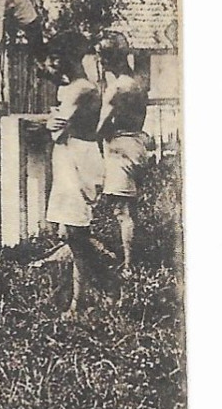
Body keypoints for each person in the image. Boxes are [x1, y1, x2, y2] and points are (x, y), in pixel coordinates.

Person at [43, 30, 109, 317]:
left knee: (75, 232)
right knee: (71, 233)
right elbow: (56, 125)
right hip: (70, 155)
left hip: (79, 156)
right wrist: (54, 121)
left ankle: (85, 299)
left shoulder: (82, 88)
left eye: (57, 59)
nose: (54, 65)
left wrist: (52, 122)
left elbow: (56, 129)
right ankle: (98, 287)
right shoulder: (75, 88)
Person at [96, 32, 152, 277]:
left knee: (122, 212)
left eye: (103, 58)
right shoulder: (139, 81)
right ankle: (137, 258)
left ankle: (130, 266)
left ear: (109, 59)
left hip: (120, 146)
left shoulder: (116, 89)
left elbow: (100, 127)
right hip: (137, 143)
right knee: (132, 207)